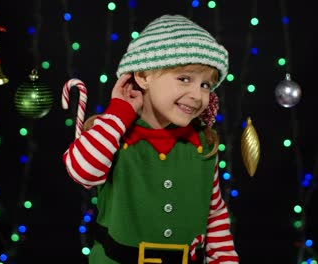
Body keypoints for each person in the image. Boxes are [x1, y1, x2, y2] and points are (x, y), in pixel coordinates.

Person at [63, 14, 239, 264]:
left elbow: (215, 213)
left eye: (206, 85)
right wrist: (119, 113)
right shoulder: (111, 130)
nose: (198, 95)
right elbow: (83, 172)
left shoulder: (203, 142)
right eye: (184, 78)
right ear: (143, 76)